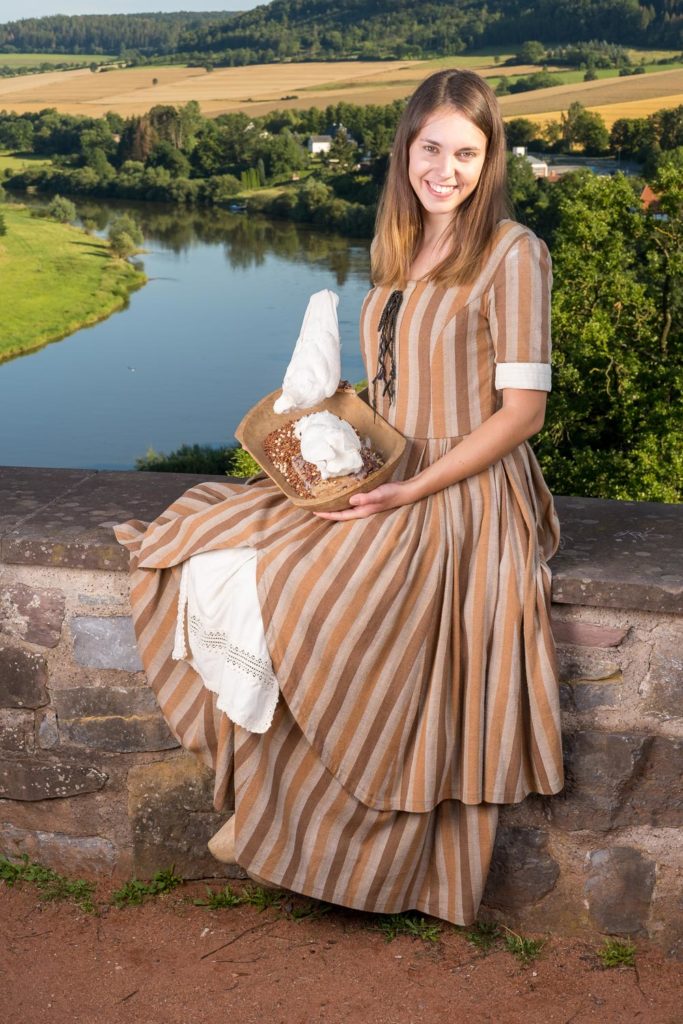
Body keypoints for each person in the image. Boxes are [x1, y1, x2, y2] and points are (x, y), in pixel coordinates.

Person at [114, 67, 564, 927]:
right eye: (431, 149)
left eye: (466, 153)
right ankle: (275, 820)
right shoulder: (401, 247)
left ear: (489, 158)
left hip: (463, 489)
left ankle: (346, 851)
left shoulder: (514, 252)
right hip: (385, 465)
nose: (446, 169)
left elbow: (522, 413)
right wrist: (325, 428)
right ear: (405, 151)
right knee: (212, 545)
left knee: (320, 601)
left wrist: (410, 491)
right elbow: (398, 383)